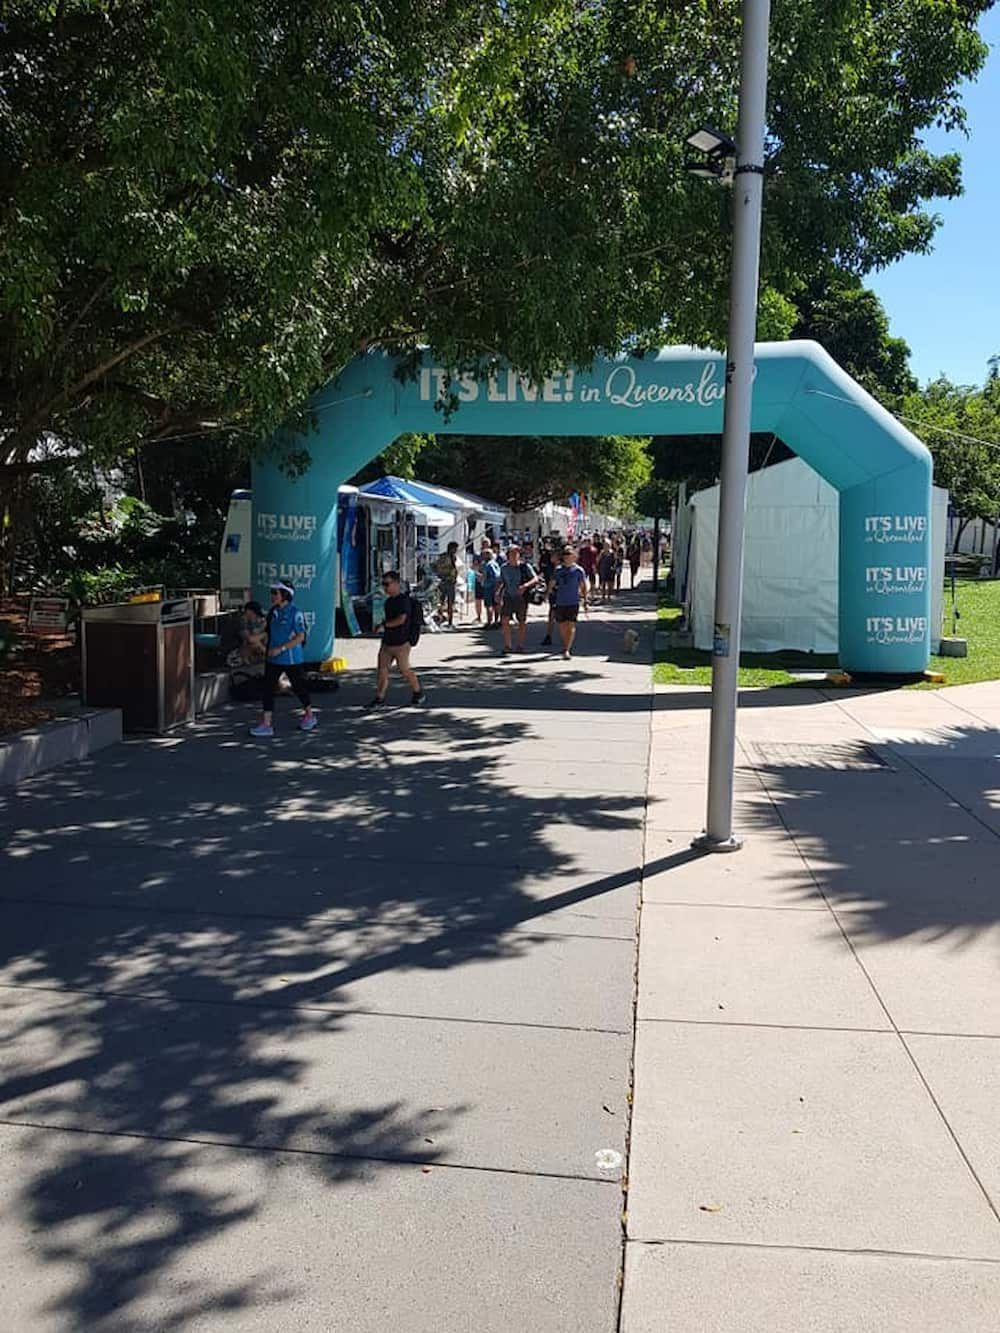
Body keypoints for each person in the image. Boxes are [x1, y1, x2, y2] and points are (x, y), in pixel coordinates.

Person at [249, 583, 317, 736]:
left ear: (285, 595)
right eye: (271, 592)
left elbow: (301, 637)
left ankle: (310, 716)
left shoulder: (295, 613)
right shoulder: (273, 611)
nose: (272, 595)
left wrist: (281, 649)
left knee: (299, 687)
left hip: (292, 658)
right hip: (273, 658)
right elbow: (268, 631)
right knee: (267, 690)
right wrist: (257, 638)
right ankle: (266, 724)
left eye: (275, 592)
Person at [364, 571, 426, 709]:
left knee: (404, 670)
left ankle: (418, 692)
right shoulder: (388, 602)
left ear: (397, 584)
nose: (385, 587)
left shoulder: (403, 601)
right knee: (382, 670)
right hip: (387, 642)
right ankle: (379, 698)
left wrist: (384, 625)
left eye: (387, 584)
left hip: (402, 643)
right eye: (383, 584)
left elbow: (401, 619)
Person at [497, 544, 539, 654]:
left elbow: (535, 579)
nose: (514, 555)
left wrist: (525, 586)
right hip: (508, 597)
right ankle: (508, 645)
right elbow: (503, 582)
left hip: (521, 598)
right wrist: (498, 593)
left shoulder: (525, 567)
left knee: (521, 622)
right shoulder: (504, 568)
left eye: (516, 553)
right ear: (508, 555)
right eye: (512, 553)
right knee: (505, 620)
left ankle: (520, 645)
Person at [551, 546, 589, 659]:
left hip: (573, 601)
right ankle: (565, 644)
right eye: (565, 555)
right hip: (560, 601)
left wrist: (585, 600)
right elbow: (552, 583)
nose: (567, 557)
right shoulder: (558, 570)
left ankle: (567, 649)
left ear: (574, 557)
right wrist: (547, 594)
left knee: (571, 625)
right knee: (562, 625)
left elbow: (583, 585)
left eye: (570, 555)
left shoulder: (578, 570)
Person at [433, 541, 460, 627]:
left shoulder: (449, 557)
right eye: (455, 549)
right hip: (446, 582)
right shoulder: (446, 557)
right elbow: (437, 567)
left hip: (448, 582)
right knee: (446, 603)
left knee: (445, 602)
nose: (456, 550)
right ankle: (446, 621)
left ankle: (446, 620)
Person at [481, 544, 501, 629]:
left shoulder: (489, 565)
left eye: (484, 554)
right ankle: (496, 621)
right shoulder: (495, 563)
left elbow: (496, 576)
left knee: (489, 605)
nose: (483, 556)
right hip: (494, 586)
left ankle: (490, 622)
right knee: (495, 605)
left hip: (490, 586)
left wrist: (483, 578)